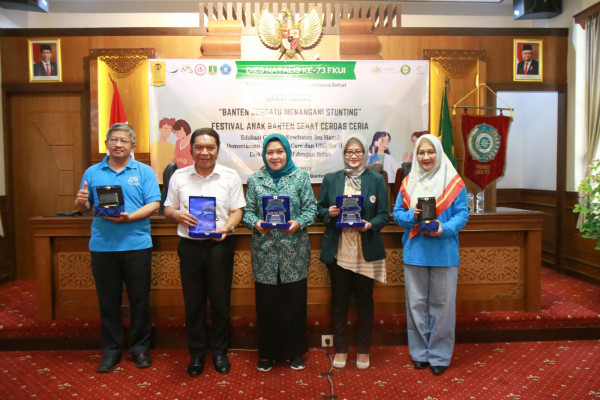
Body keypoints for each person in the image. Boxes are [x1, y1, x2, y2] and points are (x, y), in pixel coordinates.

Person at [74, 123, 161, 373]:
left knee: (139, 300)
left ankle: (140, 349)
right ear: (107, 144)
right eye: (114, 139)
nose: (118, 144)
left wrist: (130, 217)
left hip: (136, 245)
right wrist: (80, 203)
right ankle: (111, 350)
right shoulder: (92, 172)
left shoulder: (144, 172)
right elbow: (87, 208)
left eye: (124, 140)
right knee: (108, 302)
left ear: (133, 146)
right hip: (103, 247)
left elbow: (154, 204)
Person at [164, 127, 245, 377]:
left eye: (210, 147)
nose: (205, 152)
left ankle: (219, 352)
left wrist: (228, 227)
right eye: (199, 147)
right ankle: (197, 354)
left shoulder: (230, 176)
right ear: (191, 150)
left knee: (220, 303)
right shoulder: (178, 176)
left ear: (217, 149)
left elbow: (237, 211)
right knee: (194, 303)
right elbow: (168, 209)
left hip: (219, 247)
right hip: (189, 247)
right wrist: (176, 214)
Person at [392, 134, 469, 376]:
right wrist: (412, 217)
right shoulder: (408, 183)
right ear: (416, 155)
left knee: (442, 306)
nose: (426, 157)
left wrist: (443, 229)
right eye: (421, 153)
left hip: (444, 254)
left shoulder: (454, 182)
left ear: (438, 153)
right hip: (415, 253)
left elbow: (462, 215)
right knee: (416, 305)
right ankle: (420, 354)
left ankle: (439, 355)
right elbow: (397, 214)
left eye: (430, 152)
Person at [243, 133, 317, 372]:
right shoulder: (255, 179)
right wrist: (255, 223)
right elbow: (247, 212)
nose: (275, 156)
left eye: (279, 151)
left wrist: (298, 222)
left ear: (287, 152)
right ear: (264, 155)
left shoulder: (300, 177)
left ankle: (294, 352)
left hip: (293, 251)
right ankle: (267, 354)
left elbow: (311, 210)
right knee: (267, 305)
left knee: (294, 304)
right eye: (270, 152)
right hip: (264, 252)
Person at [317, 135, 389, 370]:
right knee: (339, 301)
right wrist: (330, 212)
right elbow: (319, 210)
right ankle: (340, 348)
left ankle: (364, 349)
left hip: (365, 250)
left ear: (365, 154)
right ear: (344, 155)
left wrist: (369, 224)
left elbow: (383, 214)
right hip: (339, 250)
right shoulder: (331, 179)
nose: (354, 155)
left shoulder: (376, 179)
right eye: (349, 151)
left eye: (358, 151)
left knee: (364, 301)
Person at [150, 117, 176, 181]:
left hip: (171, 177)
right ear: (160, 129)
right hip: (157, 179)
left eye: (170, 129)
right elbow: (153, 164)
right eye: (166, 129)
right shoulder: (154, 146)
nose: (168, 132)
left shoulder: (172, 147)